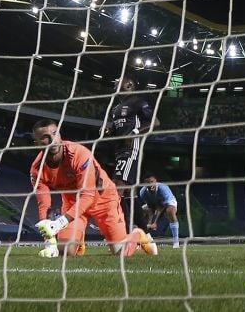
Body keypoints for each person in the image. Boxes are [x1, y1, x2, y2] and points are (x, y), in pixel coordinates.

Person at [30, 118, 158, 257]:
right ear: (36, 144)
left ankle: (138, 235)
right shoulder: (37, 170)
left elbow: (88, 196)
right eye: (45, 137)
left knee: (121, 252)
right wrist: (49, 243)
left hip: (104, 200)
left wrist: (60, 223)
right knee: (65, 252)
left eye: (55, 133)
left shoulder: (79, 154)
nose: (52, 139)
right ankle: (78, 241)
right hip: (73, 203)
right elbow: (44, 205)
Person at [103, 73, 160, 232]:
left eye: (119, 81)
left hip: (131, 150)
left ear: (129, 85)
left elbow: (155, 122)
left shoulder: (137, 102)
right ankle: (144, 234)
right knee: (129, 196)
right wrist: (108, 129)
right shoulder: (115, 109)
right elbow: (116, 130)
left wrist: (135, 132)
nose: (115, 83)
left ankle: (118, 231)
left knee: (117, 188)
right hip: (118, 151)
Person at [139, 173, 180, 248]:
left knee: (170, 211)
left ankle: (176, 242)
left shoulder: (163, 189)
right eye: (147, 183)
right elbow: (150, 207)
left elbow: (161, 206)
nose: (150, 184)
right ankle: (142, 241)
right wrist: (149, 222)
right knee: (139, 212)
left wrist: (155, 222)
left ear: (155, 181)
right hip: (154, 205)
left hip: (168, 203)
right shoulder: (143, 192)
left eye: (152, 182)